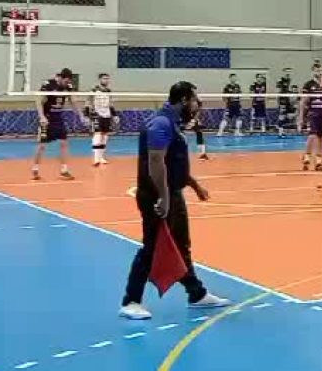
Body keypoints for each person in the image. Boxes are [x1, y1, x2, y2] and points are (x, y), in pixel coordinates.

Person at [119, 81, 231, 320]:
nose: (195, 104)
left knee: (182, 246)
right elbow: (156, 162)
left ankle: (196, 294)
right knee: (152, 247)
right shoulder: (160, 124)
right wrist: (164, 196)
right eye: (193, 99)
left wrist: (194, 184)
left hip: (173, 194)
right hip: (156, 196)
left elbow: (173, 163)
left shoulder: (173, 124)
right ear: (183, 100)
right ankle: (130, 300)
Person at [31, 68, 76, 181]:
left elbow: (73, 101)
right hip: (47, 118)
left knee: (64, 143)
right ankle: (35, 169)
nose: (67, 83)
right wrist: (42, 116)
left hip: (58, 119)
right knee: (42, 145)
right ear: (61, 77)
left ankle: (64, 170)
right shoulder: (48, 85)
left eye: (69, 82)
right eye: (66, 81)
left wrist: (81, 115)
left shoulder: (68, 87)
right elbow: (39, 101)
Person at [85, 73, 118, 167]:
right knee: (97, 134)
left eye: (107, 79)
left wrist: (114, 115)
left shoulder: (109, 91)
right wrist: (87, 114)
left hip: (106, 115)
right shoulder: (94, 90)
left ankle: (101, 157)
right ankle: (96, 159)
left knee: (105, 135)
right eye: (104, 79)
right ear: (100, 79)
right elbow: (88, 102)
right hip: (97, 114)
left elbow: (111, 104)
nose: (106, 80)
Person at [298, 81, 322, 173]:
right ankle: (307, 157)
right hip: (313, 115)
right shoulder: (309, 85)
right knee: (313, 135)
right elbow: (303, 102)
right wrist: (301, 118)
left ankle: (318, 162)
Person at [275, 68, 295, 138]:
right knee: (282, 116)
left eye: (289, 72)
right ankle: (280, 133)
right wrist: (278, 102)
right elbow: (278, 92)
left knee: (290, 116)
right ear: (283, 72)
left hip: (287, 100)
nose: (288, 73)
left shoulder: (289, 80)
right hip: (282, 100)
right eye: (286, 72)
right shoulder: (280, 81)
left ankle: (280, 128)